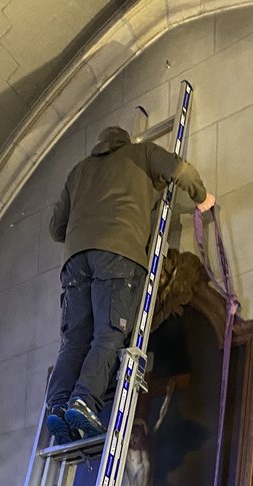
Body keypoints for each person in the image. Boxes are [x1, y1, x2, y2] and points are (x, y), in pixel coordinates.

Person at [44, 125, 215, 444]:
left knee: (75, 340)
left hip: (74, 262)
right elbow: (182, 170)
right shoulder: (144, 152)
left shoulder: (78, 171)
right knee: (109, 332)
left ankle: (57, 405)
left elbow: (56, 229)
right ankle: (83, 401)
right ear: (125, 141)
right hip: (118, 252)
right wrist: (202, 198)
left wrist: (86, 221)